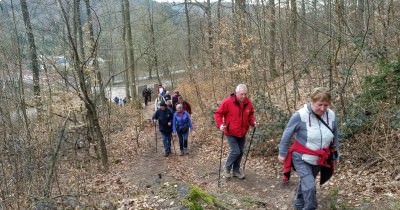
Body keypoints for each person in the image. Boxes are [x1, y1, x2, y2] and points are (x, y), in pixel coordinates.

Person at [278, 87, 339, 210]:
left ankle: (299, 203)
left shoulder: (331, 115)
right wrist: (282, 153)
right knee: (310, 185)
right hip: (301, 157)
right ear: (312, 102)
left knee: (307, 181)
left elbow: (335, 135)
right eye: (319, 105)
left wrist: (335, 155)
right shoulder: (300, 115)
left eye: (326, 105)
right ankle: (310, 207)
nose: (322, 108)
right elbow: (287, 133)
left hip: (319, 158)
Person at [214, 84, 256, 179]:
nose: (244, 96)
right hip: (230, 131)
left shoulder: (248, 102)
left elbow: (250, 114)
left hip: (242, 131)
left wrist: (253, 122)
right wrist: (220, 124)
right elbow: (218, 114)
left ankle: (236, 171)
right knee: (236, 151)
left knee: (240, 152)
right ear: (236, 93)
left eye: (245, 94)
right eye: (242, 94)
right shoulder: (228, 102)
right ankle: (227, 168)